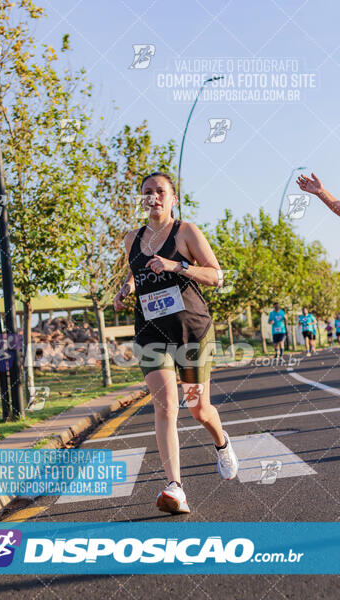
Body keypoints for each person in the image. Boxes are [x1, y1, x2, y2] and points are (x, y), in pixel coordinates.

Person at [113, 172, 238, 514]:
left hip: (191, 331)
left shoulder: (186, 232)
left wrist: (178, 265)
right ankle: (175, 487)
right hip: (151, 331)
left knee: (198, 408)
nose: (153, 196)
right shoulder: (131, 239)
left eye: (160, 191)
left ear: (173, 198)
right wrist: (126, 291)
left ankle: (222, 442)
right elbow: (137, 273)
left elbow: (216, 275)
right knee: (165, 405)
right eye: (147, 192)